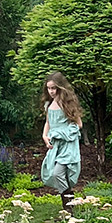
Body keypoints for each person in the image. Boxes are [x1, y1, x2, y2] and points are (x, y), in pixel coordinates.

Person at [41, 72, 83, 213]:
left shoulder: (67, 104)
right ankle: (69, 208)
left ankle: (68, 208)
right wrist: (45, 136)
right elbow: (48, 122)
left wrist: (62, 133)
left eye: (54, 88)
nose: (51, 91)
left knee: (58, 173)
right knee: (55, 173)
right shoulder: (49, 104)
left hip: (67, 145)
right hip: (55, 145)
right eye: (49, 88)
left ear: (60, 87)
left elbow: (78, 124)